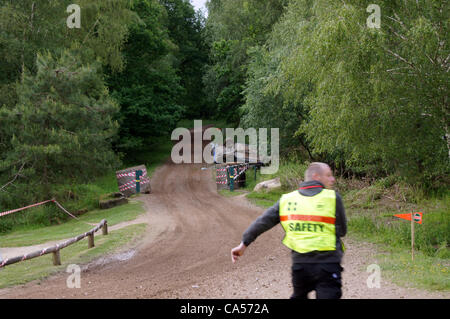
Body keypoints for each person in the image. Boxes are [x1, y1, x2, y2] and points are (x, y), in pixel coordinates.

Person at [231, 162, 347, 299]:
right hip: (328, 265)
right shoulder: (333, 198)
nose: (332, 179)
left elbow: (263, 222)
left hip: (300, 266)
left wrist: (244, 243)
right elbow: (342, 231)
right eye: (328, 175)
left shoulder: (287, 199)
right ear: (316, 176)